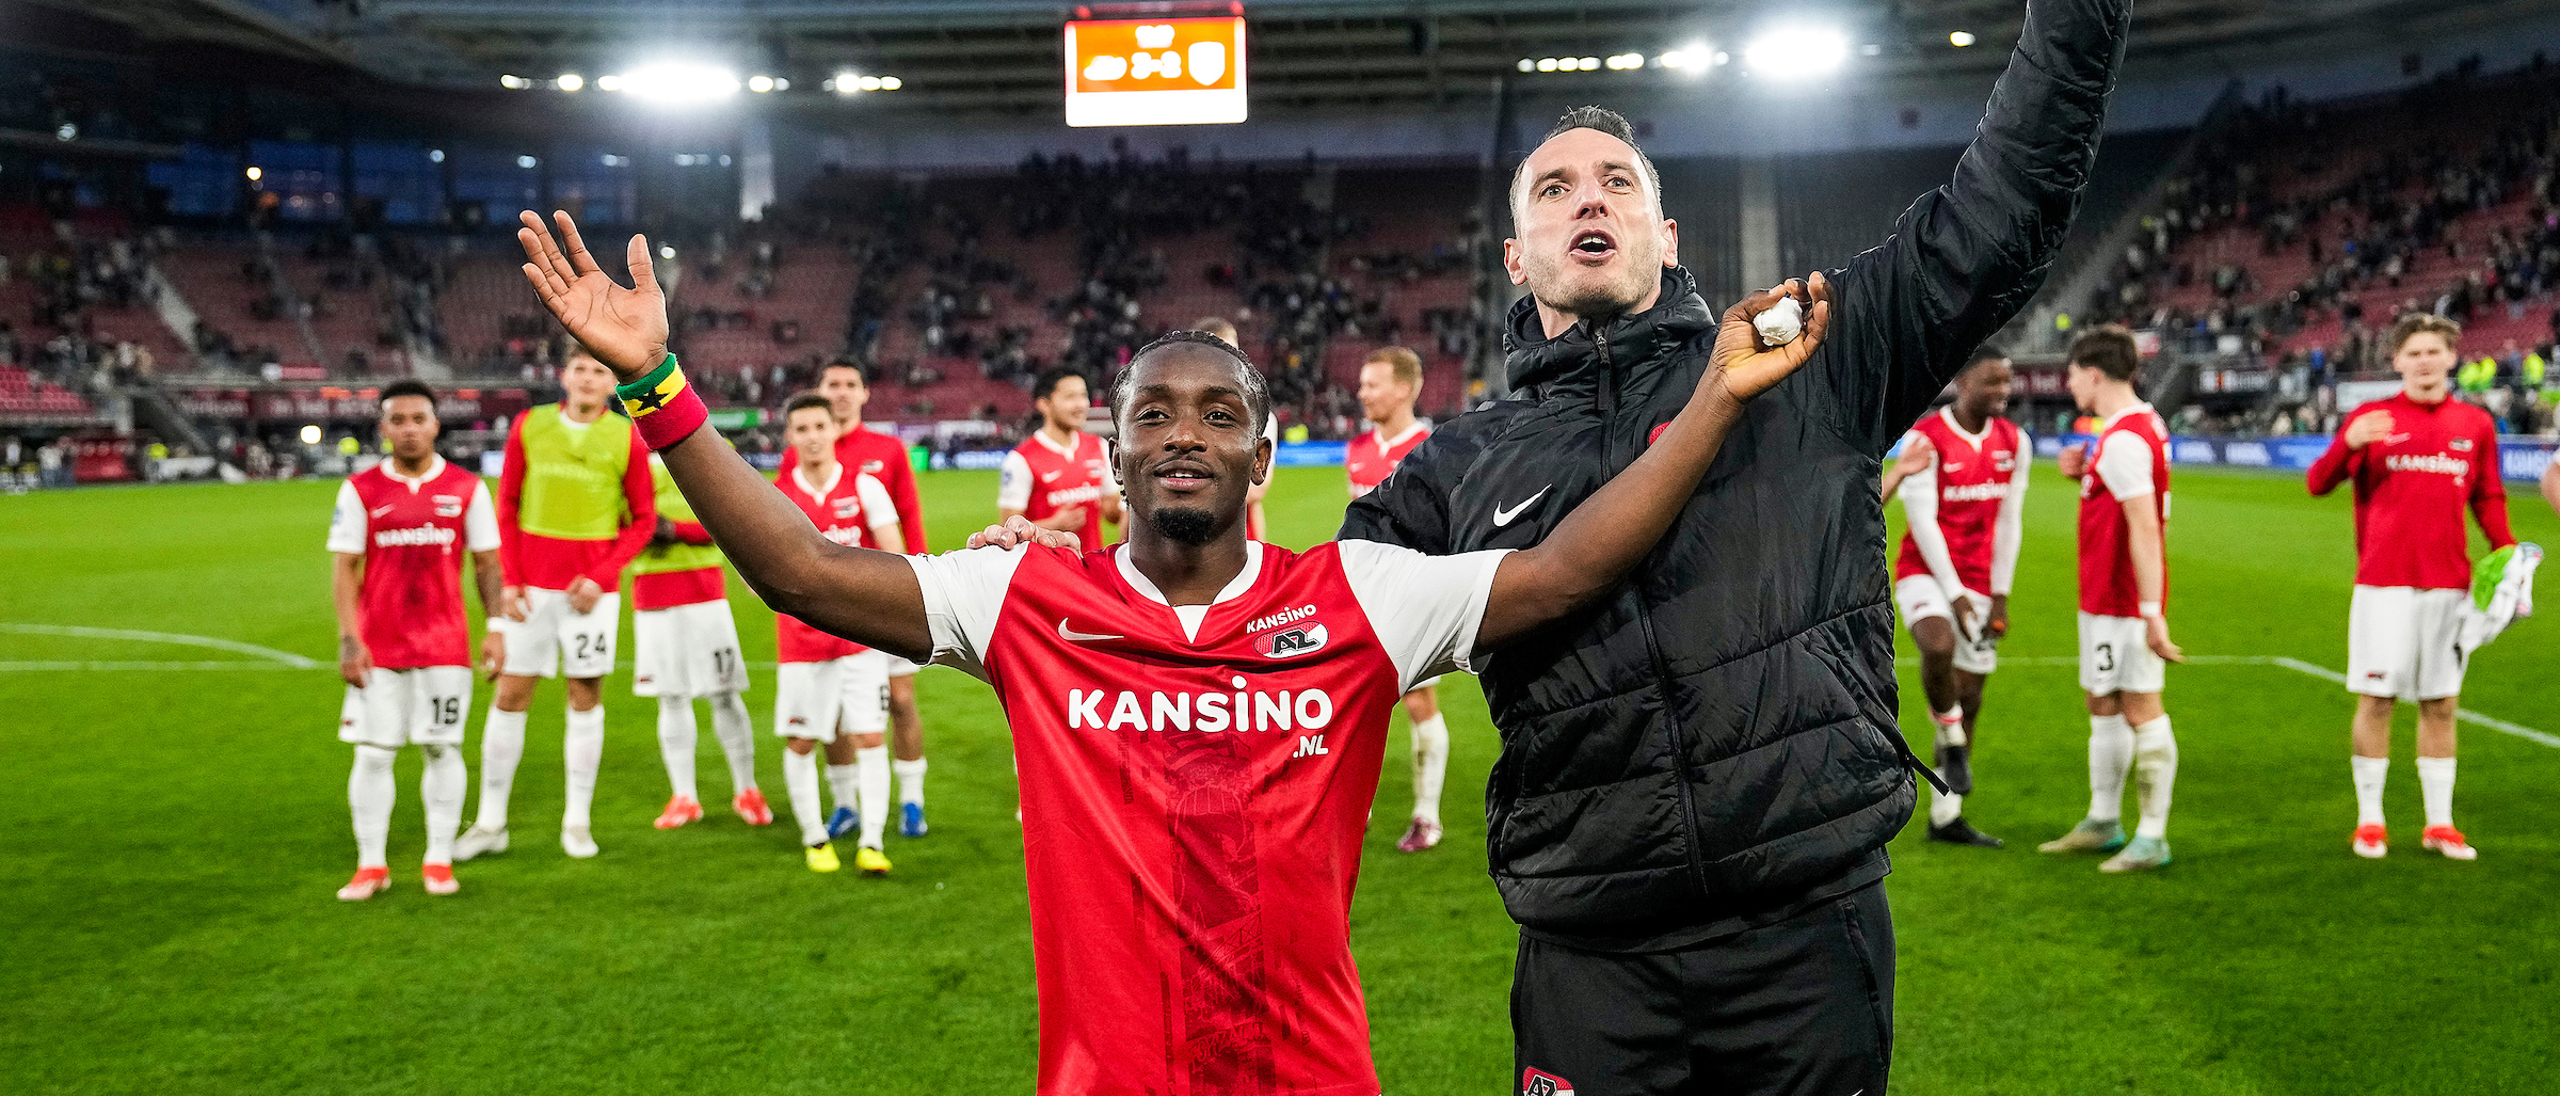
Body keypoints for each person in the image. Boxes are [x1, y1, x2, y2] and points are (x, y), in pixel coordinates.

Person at [513, 204, 1825, 1095]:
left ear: (1263, 457)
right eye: (1153, 415)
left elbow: (1571, 566)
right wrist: (656, 385)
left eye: (1217, 414)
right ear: (1113, 454)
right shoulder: (1026, 598)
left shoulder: (1358, 597)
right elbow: (801, 570)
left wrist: (1714, 395)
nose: (1183, 433)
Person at [1337, 1, 2128, 1085]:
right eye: (1554, 190)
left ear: (1667, 237)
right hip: (1589, 950)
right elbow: (1300, 628)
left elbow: (2002, 210)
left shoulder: (1810, 357)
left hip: (1806, 929)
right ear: (1517, 258)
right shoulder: (1452, 468)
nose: (1589, 199)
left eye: (1618, 182)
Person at [2306, 313, 2512, 860]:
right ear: (2396, 360)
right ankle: (2370, 821)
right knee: (2377, 700)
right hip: (2383, 584)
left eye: (2433, 352)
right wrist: (2347, 443)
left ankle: (2439, 824)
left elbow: (2488, 496)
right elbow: (2318, 483)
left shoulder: (2475, 424)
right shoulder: (2370, 419)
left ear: (2451, 358)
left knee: (2441, 703)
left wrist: (2506, 551)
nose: (2424, 361)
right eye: (2414, 353)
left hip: (2449, 586)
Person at [458, 347, 657, 861]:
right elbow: (507, 505)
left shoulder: (627, 436)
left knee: (584, 697)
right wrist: (512, 581)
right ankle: (491, 823)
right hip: (530, 591)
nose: (589, 378)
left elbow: (643, 520)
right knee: (510, 696)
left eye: (600, 371)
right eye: (581, 369)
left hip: (590, 597)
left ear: (613, 384)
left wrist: (601, 578)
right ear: (564, 375)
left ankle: (577, 822)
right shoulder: (530, 424)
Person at [325, 380, 504, 900]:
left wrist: (496, 629)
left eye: (418, 419)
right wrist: (349, 638)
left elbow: (488, 564)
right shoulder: (360, 490)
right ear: (383, 428)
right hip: (378, 647)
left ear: (435, 426)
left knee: (441, 748)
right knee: (373, 754)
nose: (408, 429)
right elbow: (345, 568)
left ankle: (439, 860)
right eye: (398, 420)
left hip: (445, 646)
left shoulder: (467, 488)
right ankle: (371, 865)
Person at [2038, 325, 2184, 872]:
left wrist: (2151, 613)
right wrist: (2085, 473)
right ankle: (2103, 820)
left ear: (2094, 375)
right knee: (2102, 701)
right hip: (2103, 596)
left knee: (2141, 706)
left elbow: (2145, 528)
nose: (2070, 384)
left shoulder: (2124, 439)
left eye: (2073, 374)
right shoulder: (2137, 426)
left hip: (2123, 602)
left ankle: (2152, 836)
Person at [1877, 349, 2027, 848]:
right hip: (1924, 573)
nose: (2002, 391)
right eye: (1991, 381)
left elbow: (2009, 521)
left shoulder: (2015, 442)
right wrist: (1957, 595)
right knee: (1937, 646)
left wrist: (1999, 595)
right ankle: (1953, 738)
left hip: (1982, 581)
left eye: (2006, 382)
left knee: (1971, 698)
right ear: (1962, 382)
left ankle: (1946, 816)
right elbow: (1922, 522)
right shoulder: (1928, 438)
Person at [772, 392, 906, 874]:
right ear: (790, 436)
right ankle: (814, 838)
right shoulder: (775, 496)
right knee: (802, 741)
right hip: (802, 643)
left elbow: (895, 557)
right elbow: (753, 572)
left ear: (834, 431)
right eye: (802, 429)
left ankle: (872, 841)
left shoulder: (865, 486)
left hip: (859, 639)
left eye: (819, 427)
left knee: (870, 736)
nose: (812, 437)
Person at [821, 361, 934, 836]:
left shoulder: (887, 450)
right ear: (821, 390)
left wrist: (921, 586)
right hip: (832, 602)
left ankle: (911, 800)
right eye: (833, 384)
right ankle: (845, 803)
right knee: (835, 709)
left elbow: (910, 516)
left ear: (865, 393)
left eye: (850, 385)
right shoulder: (807, 449)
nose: (842, 392)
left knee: (901, 701)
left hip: (887, 598)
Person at [1346, 345, 1452, 852]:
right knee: (1358, 701)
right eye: (1362, 384)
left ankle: (1427, 816)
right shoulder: (1357, 449)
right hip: (1364, 595)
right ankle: (1356, 805)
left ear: (1404, 389)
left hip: (1413, 593)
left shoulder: (1433, 449)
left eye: (1373, 384)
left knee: (1418, 701)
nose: (1362, 393)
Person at [630, 450, 768, 830]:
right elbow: (617, 521)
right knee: (671, 697)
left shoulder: (709, 446)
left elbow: (730, 520)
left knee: (724, 693)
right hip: (652, 596)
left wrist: (675, 531)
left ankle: (747, 789)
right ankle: (684, 796)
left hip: (706, 594)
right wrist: (641, 530)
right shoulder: (628, 455)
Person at [998, 367, 1121, 539]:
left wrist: (1132, 501)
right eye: (1070, 397)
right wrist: (1055, 524)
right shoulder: (1021, 459)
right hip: (1044, 557)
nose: (1081, 404)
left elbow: (1112, 514)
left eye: (1083, 395)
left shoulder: (1099, 446)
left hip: (1089, 557)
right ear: (1044, 405)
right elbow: (1008, 531)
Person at [1197, 316, 1279, 541]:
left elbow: (1255, 490)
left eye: (1234, 352)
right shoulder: (1175, 414)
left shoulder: (1259, 417)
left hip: (1237, 544)